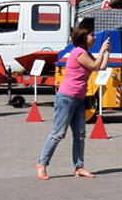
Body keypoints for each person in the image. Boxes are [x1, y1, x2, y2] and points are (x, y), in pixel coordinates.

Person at [36, 22, 107, 179]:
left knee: (80, 134)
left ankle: (79, 167)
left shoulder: (86, 53)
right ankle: (42, 164)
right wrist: (102, 50)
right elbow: (95, 66)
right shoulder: (79, 53)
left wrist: (107, 52)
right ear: (83, 37)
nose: (94, 37)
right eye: (91, 35)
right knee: (58, 133)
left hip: (79, 98)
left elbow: (101, 66)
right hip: (67, 98)